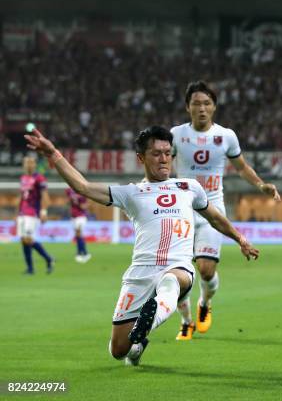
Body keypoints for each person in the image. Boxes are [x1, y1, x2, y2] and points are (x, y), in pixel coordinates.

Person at [24, 126, 259, 366]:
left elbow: (215, 217)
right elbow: (82, 186)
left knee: (170, 281)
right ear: (141, 158)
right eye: (156, 153)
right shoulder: (132, 193)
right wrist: (53, 154)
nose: (164, 158)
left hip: (178, 268)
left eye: (168, 153)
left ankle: (151, 318)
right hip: (141, 273)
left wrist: (240, 238)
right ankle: (138, 345)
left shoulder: (189, 188)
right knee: (118, 350)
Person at [170, 81, 280, 341]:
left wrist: (261, 185)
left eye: (207, 103)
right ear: (188, 107)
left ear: (214, 107)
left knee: (206, 271)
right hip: (181, 210)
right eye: (196, 103)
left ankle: (205, 303)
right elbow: (160, 162)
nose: (202, 108)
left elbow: (241, 167)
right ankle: (186, 322)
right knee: (174, 271)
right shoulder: (175, 134)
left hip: (212, 210)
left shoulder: (226, 136)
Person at [17, 156, 54, 274]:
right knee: (23, 240)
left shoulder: (39, 178)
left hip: (32, 212)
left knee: (28, 239)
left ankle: (48, 258)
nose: (29, 164)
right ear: (23, 165)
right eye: (26, 162)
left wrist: (43, 211)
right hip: (22, 213)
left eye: (31, 162)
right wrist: (17, 213)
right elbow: (22, 197)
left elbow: (45, 195)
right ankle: (30, 268)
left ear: (35, 165)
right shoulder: (23, 178)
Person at [66, 187, 92, 263]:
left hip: (81, 216)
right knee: (78, 235)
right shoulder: (69, 190)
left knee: (78, 233)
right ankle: (84, 253)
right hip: (73, 216)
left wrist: (84, 206)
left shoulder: (82, 189)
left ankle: (80, 253)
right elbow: (68, 202)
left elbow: (87, 203)